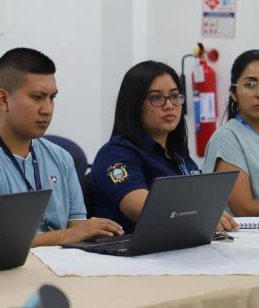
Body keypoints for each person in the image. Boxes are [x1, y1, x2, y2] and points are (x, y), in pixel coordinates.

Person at [0, 48, 124, 247]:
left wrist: (84, 233)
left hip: (63, 269)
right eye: (37, 97)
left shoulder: (61, 158)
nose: (47, 109)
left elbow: (79, 232)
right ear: (3, 100)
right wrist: (67, 236)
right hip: (0, 275)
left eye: (52, 98)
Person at [91, 61, 237, 234]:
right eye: (156, 98)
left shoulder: (178, 154)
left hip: (179, 249)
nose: (169, 105)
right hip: (133, 256)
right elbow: (146, 211)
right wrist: (203, 214)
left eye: (175, 96)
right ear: (134, 104)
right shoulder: (116, 154)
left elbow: (201, 202)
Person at [203, 50, 259, 216]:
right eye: (250, 84)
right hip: (246, 238)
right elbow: (243, 208)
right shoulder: (227, 138)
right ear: (233, 93)